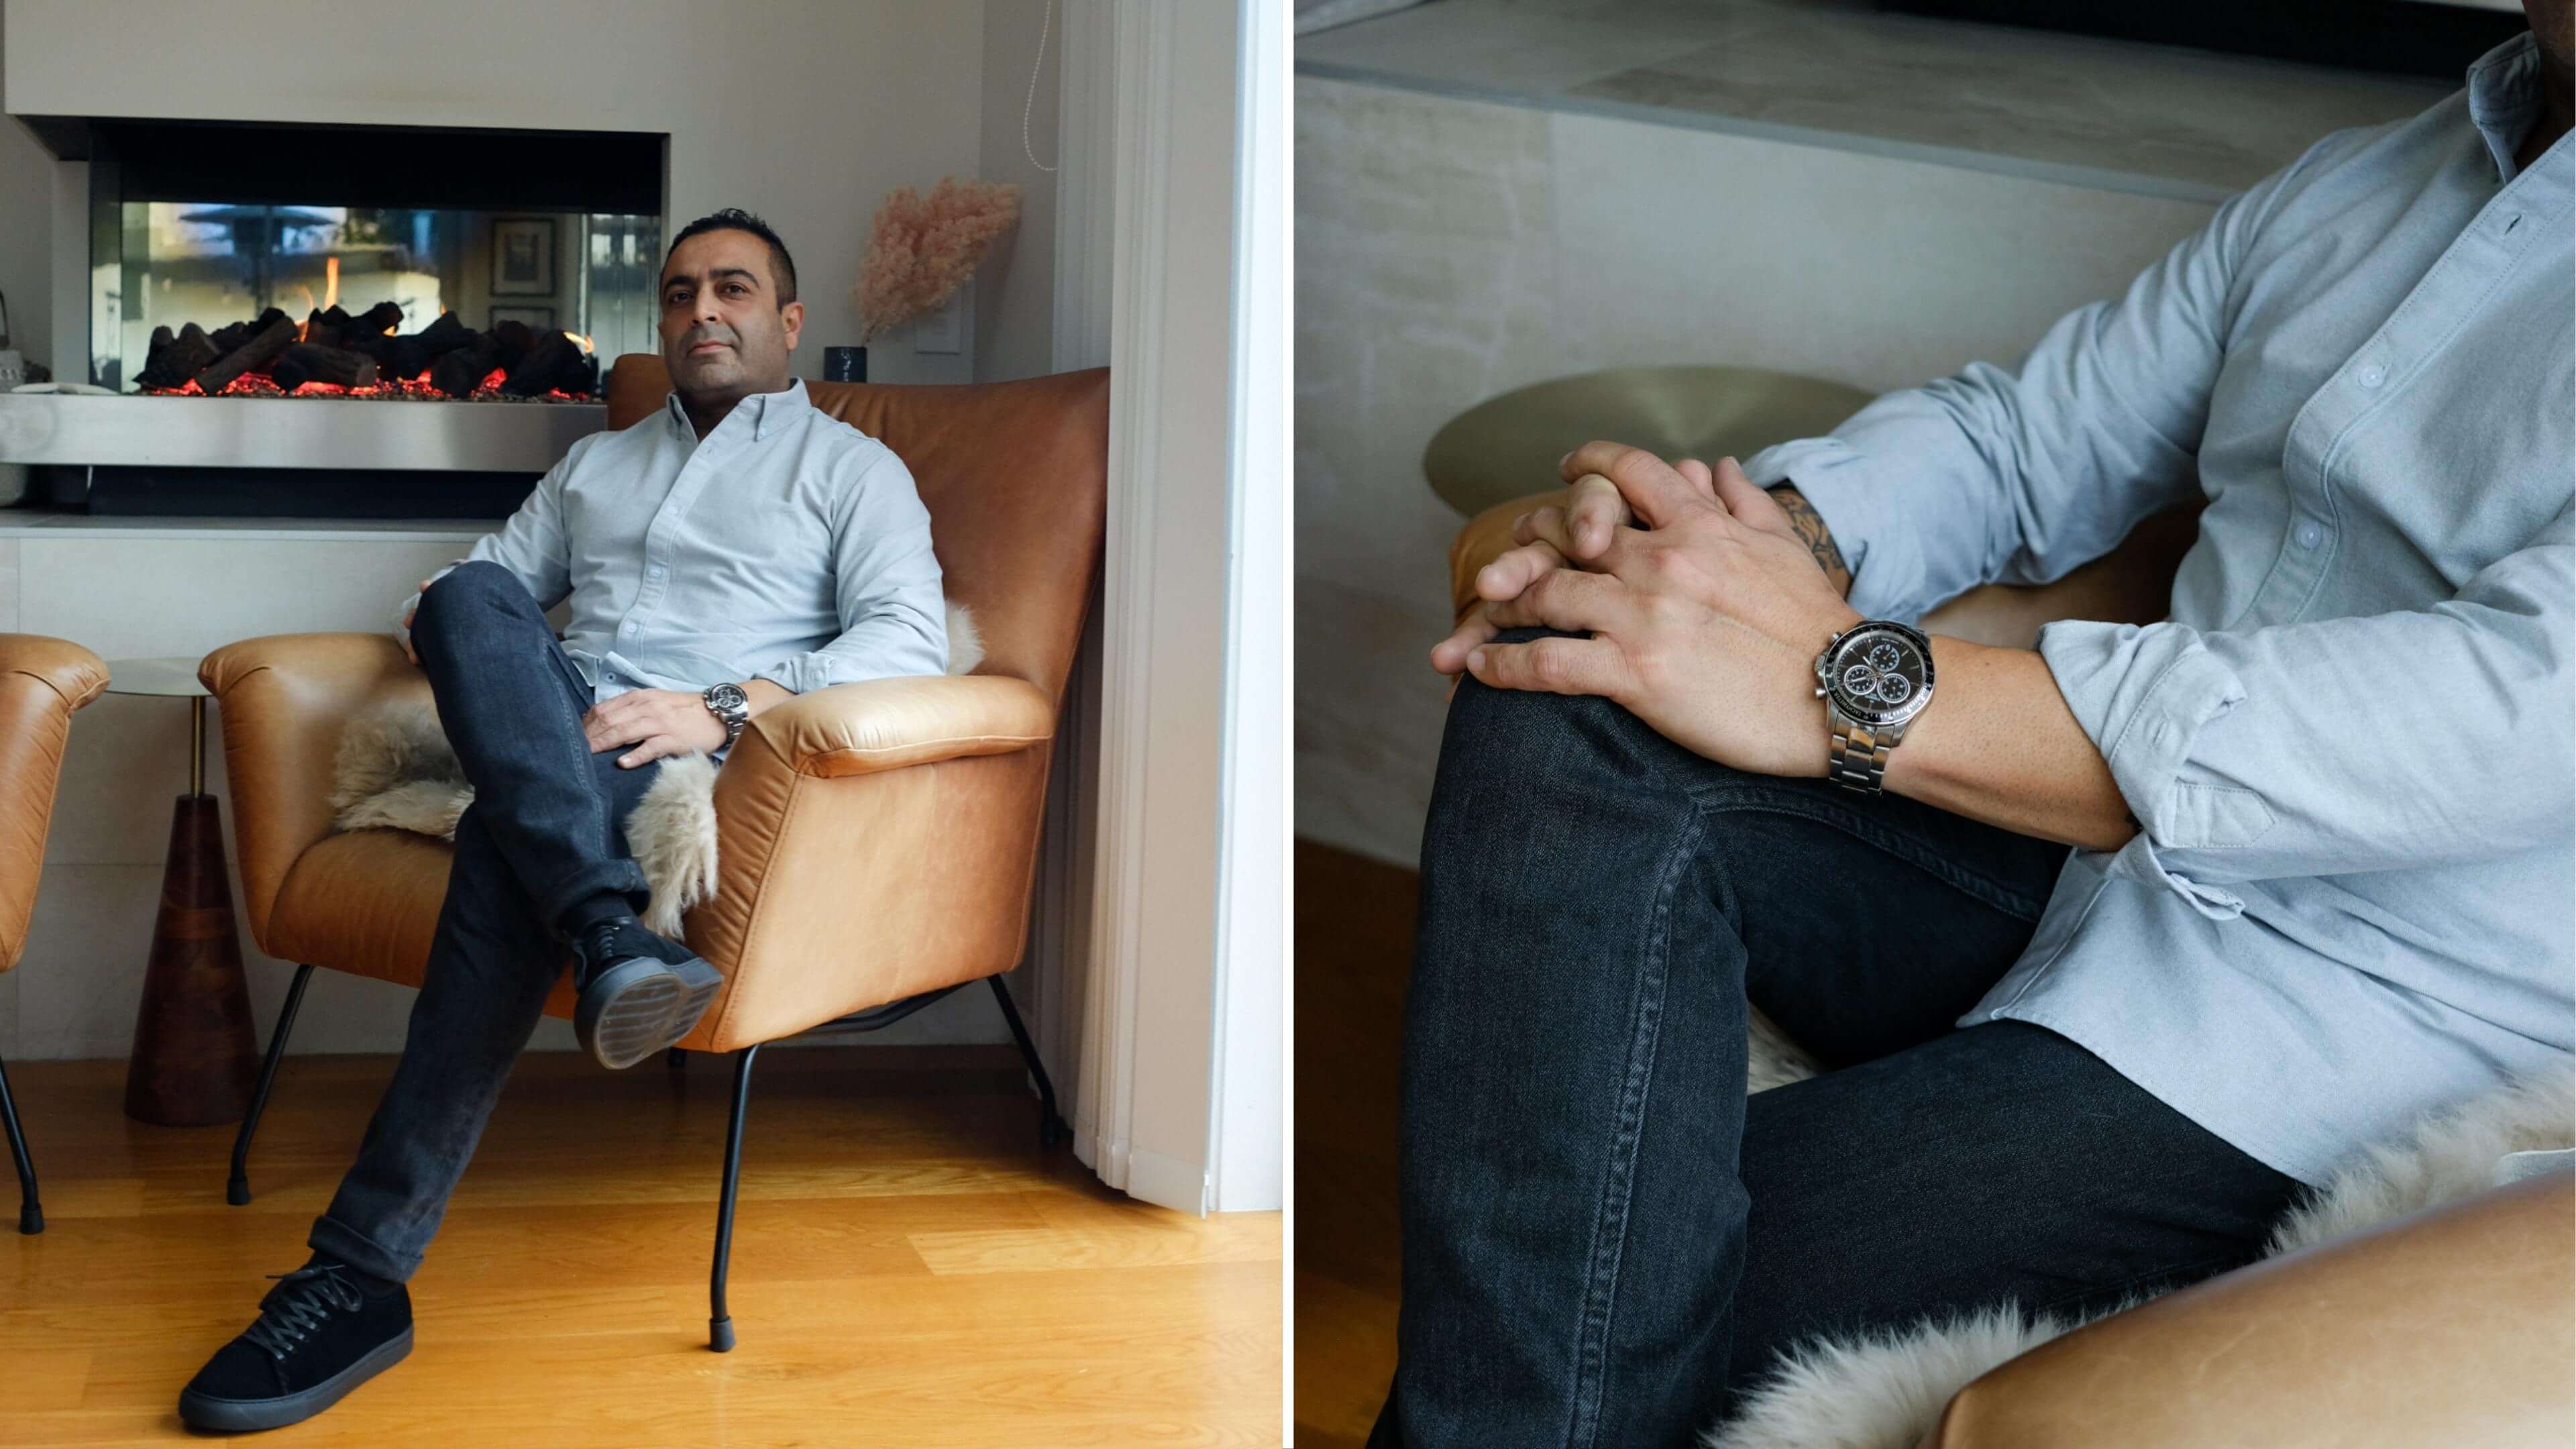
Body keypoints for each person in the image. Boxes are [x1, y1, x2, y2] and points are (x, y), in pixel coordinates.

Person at [1371, 10, 2573, 1446]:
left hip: (2371, 1022)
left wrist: (1844, 675)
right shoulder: (2370, 182)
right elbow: (2019, 442)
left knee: (1631, 1305)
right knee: (1579, 681)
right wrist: (1715, 558)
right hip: (2094, 873)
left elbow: (2495, 716)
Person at [176, 209, 949, 1433]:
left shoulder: (852, 470)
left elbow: (911, 639)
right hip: (555, 723)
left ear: (788, 323)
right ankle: (608, 937)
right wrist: (508, 674)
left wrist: (721, 705)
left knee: (503, 839)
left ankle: (360, 1274)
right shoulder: (599, 464)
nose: (704, 312)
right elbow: (465, 595)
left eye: (734, 291)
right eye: (683, 292)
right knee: (469, 595)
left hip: (684, 749)